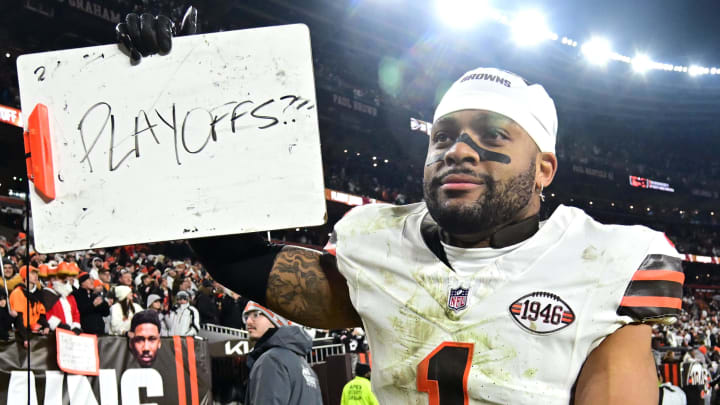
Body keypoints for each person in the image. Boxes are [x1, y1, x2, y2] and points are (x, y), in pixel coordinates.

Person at [122, 20, 683, 404]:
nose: (459, 150)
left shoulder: (607, 262)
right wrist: (184, 85)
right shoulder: (377, 246)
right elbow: (235, 257)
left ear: (543, 168)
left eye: (491, 135)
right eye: (444, 137)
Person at [242, 301, 322, 405]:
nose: (248, 321)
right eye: (246, 316)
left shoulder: (272, 360)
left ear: (275, 319)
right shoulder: (306, 367)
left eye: (256, 315)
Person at [9, 265, 49, 346]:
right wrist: (25, 338)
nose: (36, 276)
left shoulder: (39, 293)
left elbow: (40, 314)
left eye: (36, 274)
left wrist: (46, 326)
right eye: (32, 273)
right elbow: (19, 318)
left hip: (35, 332)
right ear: (25, 276)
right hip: (21, 334)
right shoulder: (17, 293)